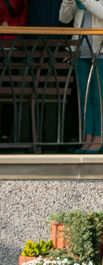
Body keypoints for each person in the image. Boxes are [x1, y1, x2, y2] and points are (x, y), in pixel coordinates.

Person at [60, 0, 103, 152]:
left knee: (99, 98)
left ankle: (99, 139)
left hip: (101, 52)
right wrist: (67, 1)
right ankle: (88, 138)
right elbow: (63, 18)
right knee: (84, 98)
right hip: (80, 51)